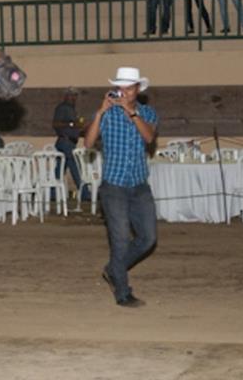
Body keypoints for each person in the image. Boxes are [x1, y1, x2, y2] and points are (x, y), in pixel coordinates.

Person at [83, 67, 159, 308]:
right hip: (113, 185)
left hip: (139, 185)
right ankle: (123, 292)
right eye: (121, 88)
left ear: (138, 90)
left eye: (129, 87)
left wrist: (132, 113)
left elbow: (149, 138)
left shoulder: (148, 113)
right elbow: (88, 142)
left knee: (148, 238)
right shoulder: (107, 115)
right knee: (120, 239)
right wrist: (99, 113)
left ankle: (114, 270)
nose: (124, 92)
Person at [52, 87, 87, 201]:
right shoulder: (63, 108)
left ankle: (52, 194)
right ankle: (85, 194)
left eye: (75, 96)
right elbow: (56, 124)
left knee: (59, 170)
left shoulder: (72, 109)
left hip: (69, 142)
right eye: (71, 95)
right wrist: (72, 124)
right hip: (65, 142)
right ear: (66, 96)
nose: (74, 98)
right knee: (75, 168)